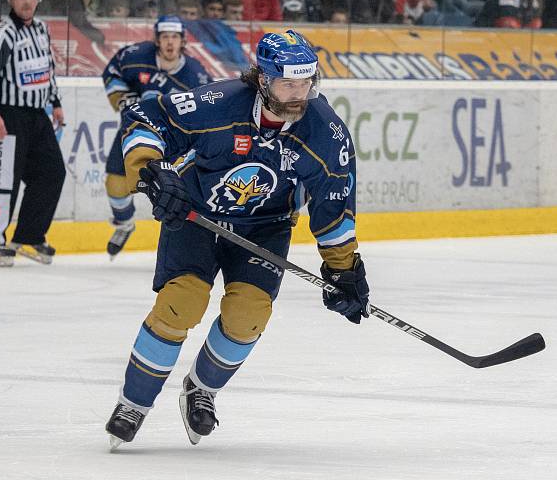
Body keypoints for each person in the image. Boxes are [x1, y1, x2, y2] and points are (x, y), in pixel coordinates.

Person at [105, 30, 369, 449]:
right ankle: (133, 404)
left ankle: (201, 390)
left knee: (249, 315)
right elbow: (146, 118)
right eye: (287, 83)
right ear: (262, 79)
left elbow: (333, 206)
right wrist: (153, 169)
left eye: (306, 83)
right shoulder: (217, 103)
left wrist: (344, 269)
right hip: (195, 215)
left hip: (265, 228)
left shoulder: (326, 133)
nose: (299, 93)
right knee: (181, 302)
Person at [0, 0, 66, 267]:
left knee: (52, 172)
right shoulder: (2, 35)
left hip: (37, 116)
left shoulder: (41, 29)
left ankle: (28, 236)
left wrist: (56, 102)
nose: (27, 1)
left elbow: (47, 69)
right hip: (8, 115)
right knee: (2, 180)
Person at [101, 15, 212, 258]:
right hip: (136, 132)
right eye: (165, 37)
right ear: (156, 39)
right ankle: (124, 223)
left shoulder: (196, 75)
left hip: (176, 140)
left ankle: (184, 247)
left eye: (175, 37)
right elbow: (112, 72)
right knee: (115, 183)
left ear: (183, 41)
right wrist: (121, 98)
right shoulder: (135, 56)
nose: (170, 43)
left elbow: (208, 112)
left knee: (176, 191)